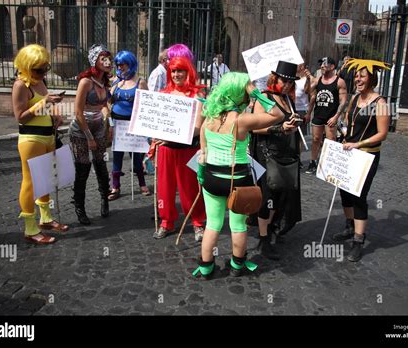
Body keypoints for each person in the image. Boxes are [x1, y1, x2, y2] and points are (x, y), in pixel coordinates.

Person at [192, 72, 284, 279]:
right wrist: (255, 92)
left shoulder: (209, 119)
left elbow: (203, 154)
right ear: (240, 93)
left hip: (212, 178)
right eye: (245, 90)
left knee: (213, 224)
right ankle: (237, 266)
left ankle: (206, 268)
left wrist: (201, 178)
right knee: (238, 225)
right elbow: (277, 115)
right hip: (238, 179)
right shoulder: (242, 120)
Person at [331, 58, 391, 262]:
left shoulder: (380, 103)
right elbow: (349, 122)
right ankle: (349, 227)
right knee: (345, 193)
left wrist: (359, 144)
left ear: (371, 78)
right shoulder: (356, 99)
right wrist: (343, 133)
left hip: (367, 155)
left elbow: (382, 133)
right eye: (356, 75)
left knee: (358, 197)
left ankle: (358, 240)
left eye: (362, 75)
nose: (357, 78)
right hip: (349, 152)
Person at [12, 44, 69, 244]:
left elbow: (41, 110)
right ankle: (30, 228)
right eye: (38, 69)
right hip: (31, 139)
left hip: (47, 136)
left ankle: (45, 218)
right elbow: (20, 117)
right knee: (30, 181)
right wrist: (44, 102)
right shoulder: (21, 85)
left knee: (45, 178)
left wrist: (54, 115)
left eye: (46, 68)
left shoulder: (39, 81)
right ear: (26, 66)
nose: (43, 72)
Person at [251, 61, 303, 260]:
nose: (288, 85)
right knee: (268, 197)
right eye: (284, 80)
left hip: (285, 155)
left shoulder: (286, 99)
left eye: (291, 82)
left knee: (281, 196)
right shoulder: (264, 97)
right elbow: (254, 128)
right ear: (275, 78)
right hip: (266, 156)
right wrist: (279, 128)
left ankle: (271, 228)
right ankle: (263, 240)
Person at [153, 56, 207, 242]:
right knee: (165, 188)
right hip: (166, 149)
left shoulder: (197, 97)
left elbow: (199, 128)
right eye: (173, 71)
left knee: (190, 188)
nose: (176, 74)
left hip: (188, 149)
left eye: (180, 71)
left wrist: (175, 134)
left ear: (188, 72)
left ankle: (198, 222)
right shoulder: (163, 94)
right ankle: (166, 221)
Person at [69, 44, 112, 225]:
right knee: (83, 168)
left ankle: (105, 199)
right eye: (104, 59)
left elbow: (104, 105)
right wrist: (89, 137)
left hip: (99, 127)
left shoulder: (105, 81)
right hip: (81, 130)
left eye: (109, 58)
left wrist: (107, 121)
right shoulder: (85, 82)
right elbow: (78, 112)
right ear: (95, 61)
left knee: (101, 164)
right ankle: (80, 207)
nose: (109, 62)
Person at [108, 50, 150, 201]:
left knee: (136, 155)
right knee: (117, 156)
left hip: (133, 123)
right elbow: (108, 102)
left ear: (130, 64)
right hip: (117, 123)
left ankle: (142, 183)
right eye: (118, 65)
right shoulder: (116, 81)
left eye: (123, 64)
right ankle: (115, 186)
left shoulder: (140, 82)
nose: (120, 67)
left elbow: (147, 104)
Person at [305, 56, 347, 174]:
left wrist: (336, 117)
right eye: (321, 64)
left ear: (332, 66)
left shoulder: (339, 81)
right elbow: (307, 92)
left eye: (325, 64)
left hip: (331, 116)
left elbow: (343, 100)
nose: (322, 66)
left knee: (331, 140)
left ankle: (329, 164)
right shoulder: (318, 80)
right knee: (315, 139)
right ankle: (313, 162)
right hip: (318, 115)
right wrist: (308, 79)